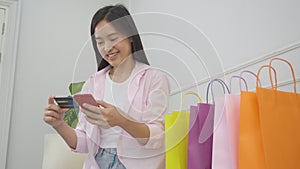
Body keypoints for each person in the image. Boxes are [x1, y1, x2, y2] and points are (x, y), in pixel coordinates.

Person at [43, 4, 170, 169]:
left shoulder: (154, 78)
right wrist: (59, 124)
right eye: (100, 42)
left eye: (113, 38)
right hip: (98, 162)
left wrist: (122, 120)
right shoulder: (93, 83)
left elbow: (157, 137)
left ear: (130, 36)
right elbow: (83, 143)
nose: (107, 48)